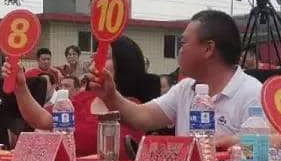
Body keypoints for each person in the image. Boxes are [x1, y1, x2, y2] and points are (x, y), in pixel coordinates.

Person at [89, 11, 261, 150]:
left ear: (208, 49)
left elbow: (274, 141)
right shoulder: (185, 89)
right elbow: (141, 117)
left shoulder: (252, 93)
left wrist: (233, 142)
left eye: (183, 43)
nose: (179, 51)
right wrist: (111, 96)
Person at [6, 35, 160, 158]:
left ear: (125, 64)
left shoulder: (134, 111)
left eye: (105, 56)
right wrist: (21, 87)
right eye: (96, 55)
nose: (96, 60)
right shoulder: (82, 100)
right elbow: (42, 120)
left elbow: (118, 155)